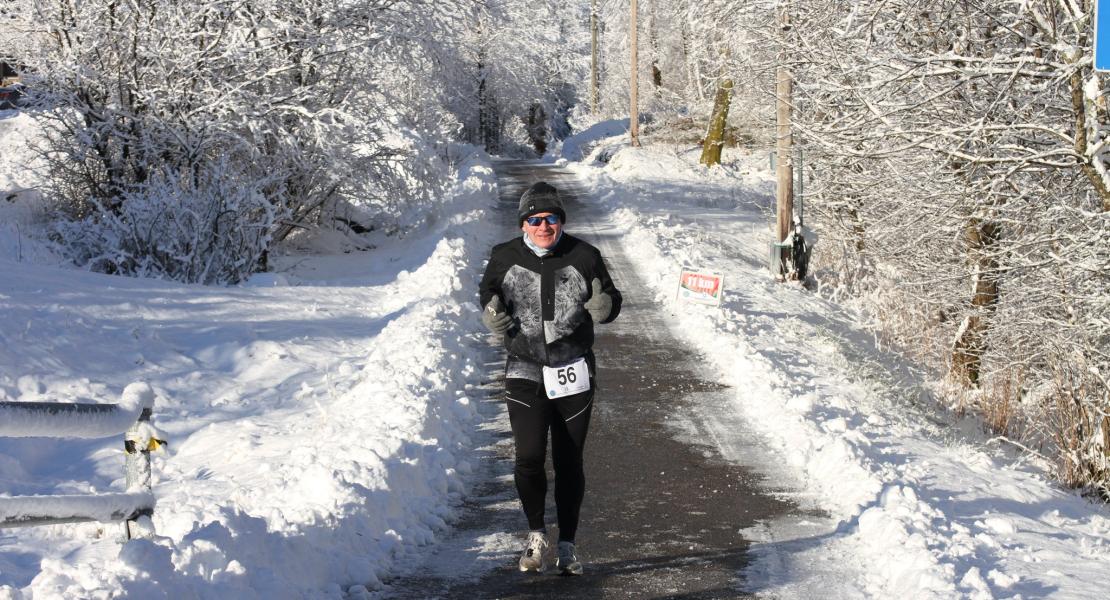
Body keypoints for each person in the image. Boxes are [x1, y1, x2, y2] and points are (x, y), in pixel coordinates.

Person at [478, 181, 622, 575]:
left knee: (568, 458)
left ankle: (568, 545)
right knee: (527, 456)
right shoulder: (504, 256)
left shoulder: (584, 255)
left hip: (573, 368)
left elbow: (611, 298)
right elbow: (488, 295)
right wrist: (491, 314)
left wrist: (605, 306)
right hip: (525, 366)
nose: (544, 226)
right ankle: (536, 533)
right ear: (524, 223)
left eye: (552, 218)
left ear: (561, 222)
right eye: (535, 219)